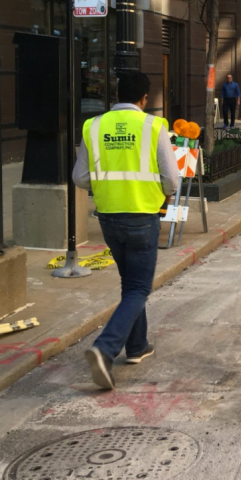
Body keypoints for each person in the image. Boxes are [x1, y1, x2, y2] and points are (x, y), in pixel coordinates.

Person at [73, 71, 180, 389]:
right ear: (144, 99)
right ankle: (105, 349)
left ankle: (137, 346)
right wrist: (159, 192)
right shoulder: (153, 126)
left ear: (115, 95)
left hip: (108, 219)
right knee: (138, 288)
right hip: (142, 217)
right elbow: (172, 180)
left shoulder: (93, 126)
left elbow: (80, 178)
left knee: (130, 283)